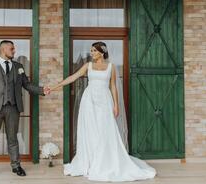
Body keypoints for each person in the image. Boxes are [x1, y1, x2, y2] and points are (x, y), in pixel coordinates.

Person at [50, 42, 156, 182]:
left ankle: (104, 162)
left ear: (101, 52)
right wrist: (54, 87)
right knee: (90, 131)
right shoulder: (88, 65)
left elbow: (113, 86)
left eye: (94, 51)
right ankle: (90, 162)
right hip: (89, 101)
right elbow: (73, 77)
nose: (91, 53)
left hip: (105, 102)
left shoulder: (111, 67)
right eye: (91, 51)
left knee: (105, 131)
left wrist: (116, 105)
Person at [0, 40, 50, 180]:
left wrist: (42, 90)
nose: (14, 51)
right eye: (11, 48)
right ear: (3, 49)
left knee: (13, 139)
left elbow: (27, 85)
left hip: (13, 108)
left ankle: (16, 165)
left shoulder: (18, 66)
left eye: (14, 48)